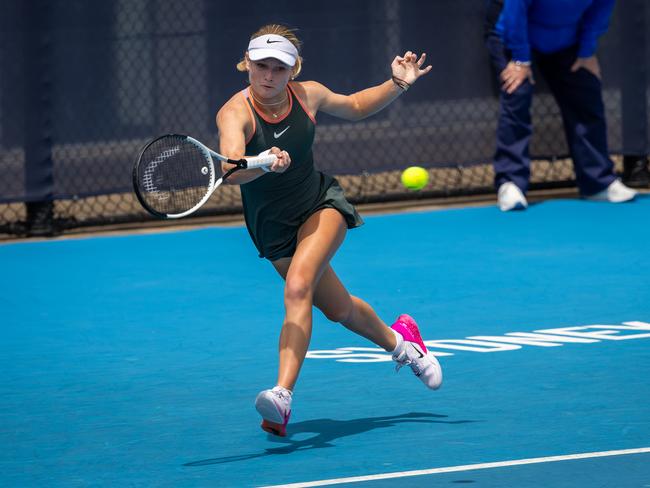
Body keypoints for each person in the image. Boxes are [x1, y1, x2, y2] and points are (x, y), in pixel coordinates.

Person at [215, 24, 442, 437]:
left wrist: (398, 83)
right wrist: (262, 161)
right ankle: (404, 344)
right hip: (272, 229)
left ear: (293, 70)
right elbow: (232, 170)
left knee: (298, 287)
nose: (268, 76)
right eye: (260, 66)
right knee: (340, 310)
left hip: (320, 206)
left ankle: (282, 395)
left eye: (278, 68)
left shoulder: (307, 94)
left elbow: (355, 105)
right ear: (246, 65)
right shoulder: (235, 113)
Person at [484, 0, 638, 211]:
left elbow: (600, 10)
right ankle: (510, 183)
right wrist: (520, 58)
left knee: (586, 94)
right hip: (514, 34)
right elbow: (515, 10)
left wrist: (586, 51)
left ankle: (597, 183)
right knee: (517, 93)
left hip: (567, 40)